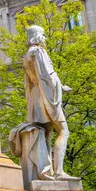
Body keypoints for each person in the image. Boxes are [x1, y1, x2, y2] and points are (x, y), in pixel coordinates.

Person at [24, 25, 77, 180]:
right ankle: (59, 171)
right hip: (44, 94)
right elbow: (47, 75)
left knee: (45, 134)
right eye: (43, 35)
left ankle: (45, 172)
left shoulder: (27, 55)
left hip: (35, 96)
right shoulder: (38, 51)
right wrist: (60, 87)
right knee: (63, 131)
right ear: (38, 36)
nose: (45, 38)